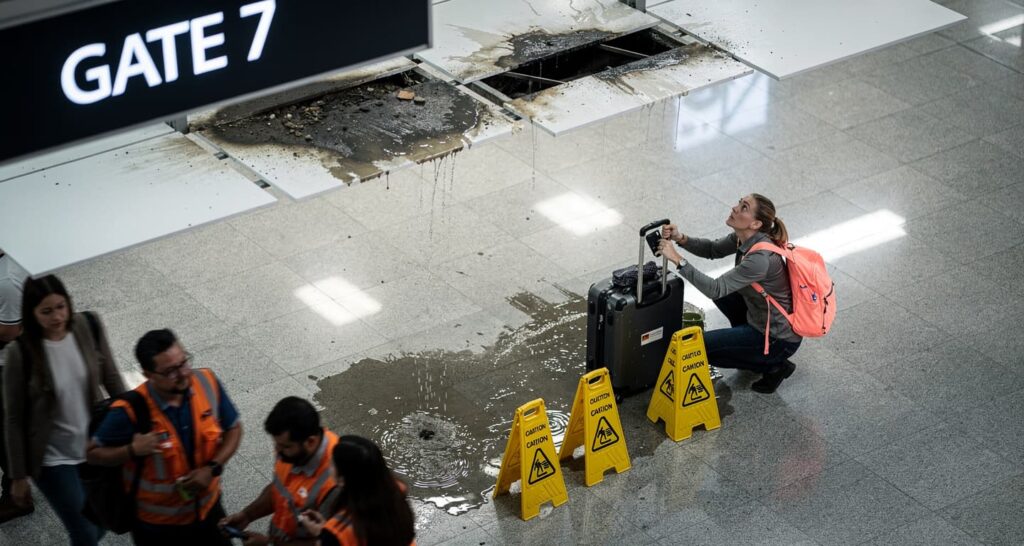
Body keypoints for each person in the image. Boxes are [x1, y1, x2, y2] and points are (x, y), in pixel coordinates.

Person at [87, 329, 243, 545]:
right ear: (148, 374)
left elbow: (234, 429)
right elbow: (92, 454)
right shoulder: (129, 411)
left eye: (184, 362)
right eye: (170, 371)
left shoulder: (206, 381)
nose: (183, 374)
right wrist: (131, 450)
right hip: (158, 529)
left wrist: (212, 468)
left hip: (209, 512)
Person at [2, 274, 126, 544]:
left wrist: (138, 417)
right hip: (53, 458)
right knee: (83, 531)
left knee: (104, 519)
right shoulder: (20, 353)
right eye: (46, 311)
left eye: (60, 307)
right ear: (31, 314)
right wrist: (18, 476)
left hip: (94, 445)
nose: (57, 317)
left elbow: (112, 378)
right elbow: (13, 418)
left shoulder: (87, 325)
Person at [658, 193, 802, 393]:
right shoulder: (744, 237)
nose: (735, 208)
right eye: (739, 202)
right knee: (724, 293)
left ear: (755, 224)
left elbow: (714, 288)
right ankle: (745, 347)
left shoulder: (761, 258)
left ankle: (774, 365)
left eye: (744, 208)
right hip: (760, 317)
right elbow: (712, 249)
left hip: (777, 339)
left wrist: (677, 259)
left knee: (700, 347)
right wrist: (680, 238)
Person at [220, 397, 339, 546]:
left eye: (285, 447)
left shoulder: (336, 482)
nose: (278, 452)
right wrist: (247, 515)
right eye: (276, 444)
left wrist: (267, 544)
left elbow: (325, 542)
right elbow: (280, 488)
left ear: (311, 442)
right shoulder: (291, 452)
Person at [298, 436, 415, 546]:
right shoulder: (398, 490)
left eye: (332, 463)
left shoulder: (336, 533)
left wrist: (321, 535)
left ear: (343, 480)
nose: (328, 465)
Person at [0, 249, 32, 523]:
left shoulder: (7, 281)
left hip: (5, 363)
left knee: (4, 431)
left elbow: (9, 331)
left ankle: (16, 496)